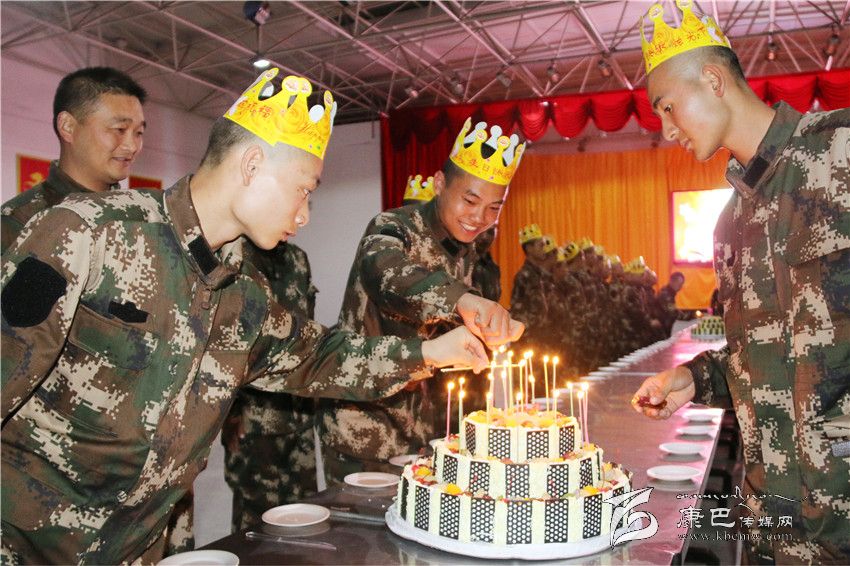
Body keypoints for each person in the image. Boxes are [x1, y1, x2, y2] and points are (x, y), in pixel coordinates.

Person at [0, 70, 490, 565]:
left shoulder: (241, 295)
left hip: (137, 547)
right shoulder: (89, 234)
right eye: (303, 190)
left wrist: (431, 352)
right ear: (252, 165)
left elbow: (317, 356)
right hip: (34, 548)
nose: (304, 214)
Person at [631, 3, 849, 563]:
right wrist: (695, 378)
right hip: (769, 527)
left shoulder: (837, 151)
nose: (667, 129)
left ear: (712, 79)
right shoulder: (730, 225)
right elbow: (761, 355)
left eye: (668, 106)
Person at [319, 120, 526, 484]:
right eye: (470, 200)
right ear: (440, 184)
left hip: (421, 425)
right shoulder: (394, 227)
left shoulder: (466, 249)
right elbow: (386, 272)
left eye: (494, 208)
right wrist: (462, 301)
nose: (479, 218)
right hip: (364, 425)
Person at [222, 241, 320, 531]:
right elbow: (225, 346)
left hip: (299, 414)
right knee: (256, 523)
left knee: (304, 515)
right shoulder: (235, 256)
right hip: (254, 422)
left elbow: (307, 334)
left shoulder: (298, 259)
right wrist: (230, 414)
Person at [1, 66, 147, 254]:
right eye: (119, 129)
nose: (132, 146)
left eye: (139, 133)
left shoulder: (143, 219)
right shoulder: (18, 223)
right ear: (68, 126)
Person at [511, 225, 557, 352]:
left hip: (545, 338)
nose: (544, 248)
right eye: (540, 245)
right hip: (530, 339)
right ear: (529, 248)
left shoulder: (542, 275)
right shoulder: (523, 276)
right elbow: (517, 312)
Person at [472, 225, 501, 303]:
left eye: (490, 232)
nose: (485, 237)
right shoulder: (460, 261)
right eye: (481, 230)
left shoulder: (493, 268)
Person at [656, 271, 685, 336]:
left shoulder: (669, 293)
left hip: (666, 327)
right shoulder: (665, 294)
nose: (680, 287)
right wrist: (690, 317)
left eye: (681, 285)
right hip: (662, 330)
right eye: (679, 284)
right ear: (672, 281)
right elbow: (673, 312)